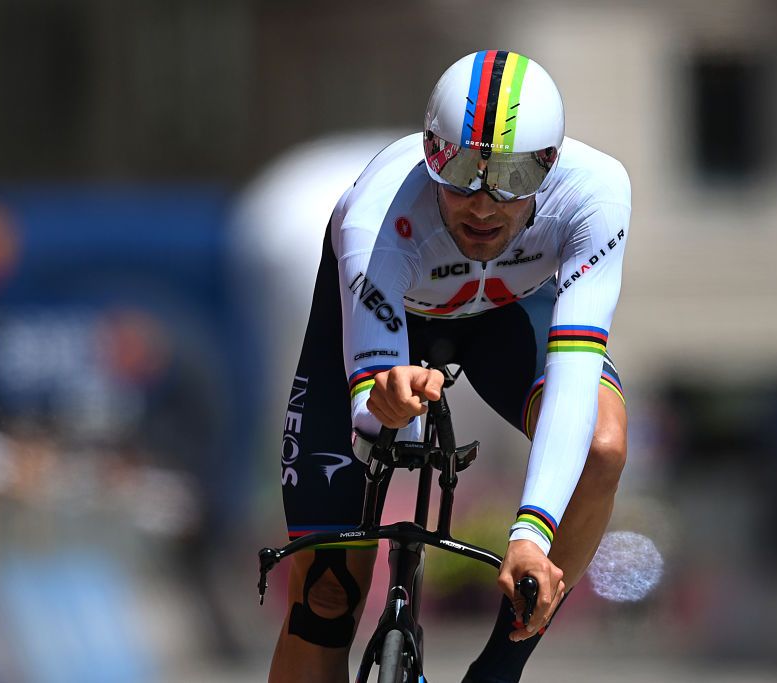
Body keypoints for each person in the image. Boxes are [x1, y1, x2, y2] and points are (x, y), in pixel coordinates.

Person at [269, 49, 631, 683]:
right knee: (326, 596)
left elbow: (575, 376)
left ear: (550, 165)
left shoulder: (596, 192)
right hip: (390, 328)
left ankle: (497, 672)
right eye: (460, 170)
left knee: (601, 447)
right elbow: (368, 408)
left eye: (514, 177)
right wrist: (384, 401)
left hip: (508, 316)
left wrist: (531, 534)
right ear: (430, 152)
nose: (484, 204)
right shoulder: (382, 206)